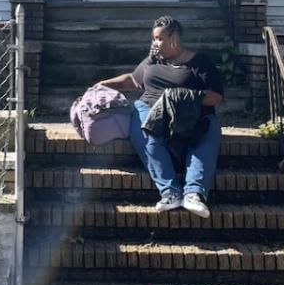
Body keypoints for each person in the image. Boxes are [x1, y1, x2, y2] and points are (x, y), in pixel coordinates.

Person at [92, 15, 223, 217]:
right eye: (154, 39)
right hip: (151, 107)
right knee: (142, 126)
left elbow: (215, 96)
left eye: (159, 39)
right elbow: (132, 81)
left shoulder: (200, 63)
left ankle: (194, 193)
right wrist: (103, 84)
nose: (155, 43)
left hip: (190, 114)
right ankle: (170, 192)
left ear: (174, 39)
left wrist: (182, 98)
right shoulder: (152, 60)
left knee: (210, 128)